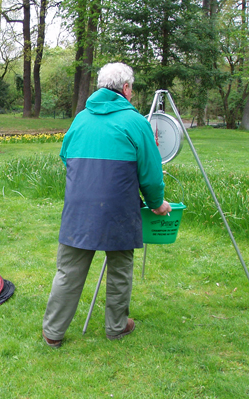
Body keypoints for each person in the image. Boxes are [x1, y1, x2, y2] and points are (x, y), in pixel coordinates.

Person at [42, 63, 172, 347]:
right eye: (132, 88)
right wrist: (157, 204)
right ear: (126, 89)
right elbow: (150, 174)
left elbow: (66, 157)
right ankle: (116, 326)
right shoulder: (136, 122)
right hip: (118, 208)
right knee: (120, 269)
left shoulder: (80, 119)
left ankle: (53, 332)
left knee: (69, 271)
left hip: (78, 208)